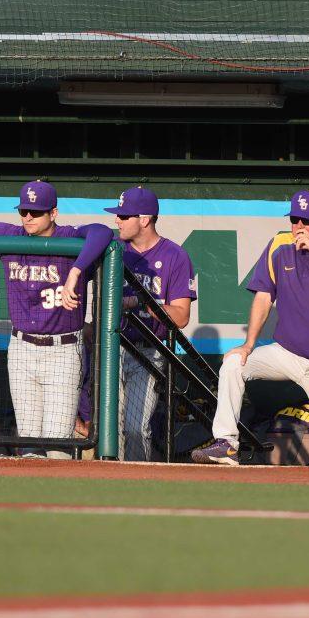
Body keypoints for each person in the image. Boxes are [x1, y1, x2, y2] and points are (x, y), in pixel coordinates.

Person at [0, 180, 112, 459]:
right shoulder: (10, 236)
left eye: (36, 212)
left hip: (63, 352)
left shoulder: (69, 237)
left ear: (53, 213)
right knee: (28, 442)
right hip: (22, 349)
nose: (28, 216)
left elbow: (103, 233)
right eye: (24, 210)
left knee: (57, 448)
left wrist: (76, 272)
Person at [193, 189, 309, 467]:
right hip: (285, 352)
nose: (299, 227)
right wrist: (248, 345)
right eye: (295, 219)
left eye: (307, 221)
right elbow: (263, 296)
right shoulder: (278, 245)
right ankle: (226, 443)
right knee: (234, 362)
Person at [108, 186, 197, 461]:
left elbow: (181, 316)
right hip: (112, 349)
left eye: (124, 216)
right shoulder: (113, 250)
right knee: (109, 431)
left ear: (144, 219)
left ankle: (137, 486)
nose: (117, 220)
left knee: (135, 430)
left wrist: (140, 302)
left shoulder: (175, 256)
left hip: (148, 351)